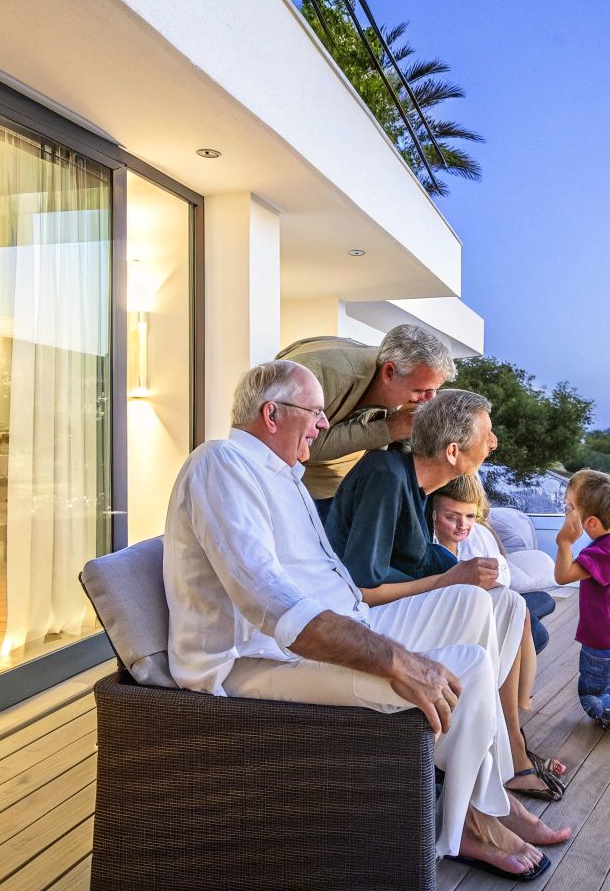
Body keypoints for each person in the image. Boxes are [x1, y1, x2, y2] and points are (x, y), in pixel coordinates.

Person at [161, 361, 566, 879]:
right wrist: (396, 659)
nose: (324, 425)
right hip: (259, 660)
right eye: (314, 413)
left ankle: (482, 792)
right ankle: (470, 820)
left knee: (477, 603)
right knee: (467, 665)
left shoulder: (284, 476)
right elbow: (270, 604)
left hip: (335, 628)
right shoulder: (222, 464)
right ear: (271, 414)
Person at [327, 390, 570, 802]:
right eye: (487, 435)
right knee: (477, 601)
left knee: (510, 603)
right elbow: (361, 590)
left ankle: (505, 749)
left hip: (392, 611)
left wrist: (464, 573)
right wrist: (450, 579)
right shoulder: (386, 476)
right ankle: (487, 772)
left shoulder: (419, 492)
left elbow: (427, 565)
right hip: (356, 623)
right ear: (454, 451)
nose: (493, 443)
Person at [277, 324, 455, 519]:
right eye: (421, 390)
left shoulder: (399, 377)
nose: (429, 400)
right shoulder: (319, 377)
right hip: (293, 488)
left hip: (337, 490)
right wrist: (391, 429)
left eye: (433, 390)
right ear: (389, 373)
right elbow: (299, 446)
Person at [430, 474, 556, 656]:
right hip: (463, 620)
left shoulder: (479, 534)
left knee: (540, 606)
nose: (462, 525)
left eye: (470, 516)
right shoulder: (427, 550)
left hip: (493, 605)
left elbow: (503, 576)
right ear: (433, 515)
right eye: (451, 517)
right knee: (536, 630)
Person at [554, 469, 610, 728]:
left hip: (605, 643)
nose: (565, 513)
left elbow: (562, 576)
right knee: (609, 688)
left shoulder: (605, 552)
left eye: (569, 508)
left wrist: (564, 542)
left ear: (590, 522)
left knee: (595, 696)